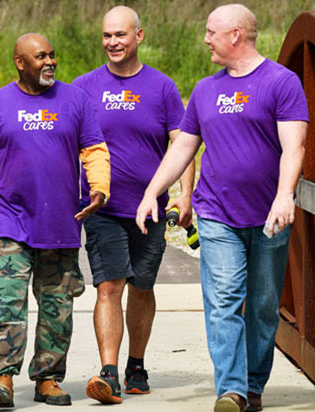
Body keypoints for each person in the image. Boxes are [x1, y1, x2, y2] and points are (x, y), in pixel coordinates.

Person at [135, 4, 308, 412]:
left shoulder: (282, 83)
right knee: (224, 301)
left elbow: (294, 147)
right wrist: (152, 191)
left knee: (263, 306)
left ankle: (252, 386)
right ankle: (230, 390)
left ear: (235, 34)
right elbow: (183, 147)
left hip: (268, 215)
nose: (206, 38)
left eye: (212, 31)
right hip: (217, 214)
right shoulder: (205, 89)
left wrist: (285, 194)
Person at [0, 33, 111, 408]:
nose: (49, 62)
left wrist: (99, 187)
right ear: (20, 63)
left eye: (52, 55)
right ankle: (2, 378)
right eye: (40, 56)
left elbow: (93, 149)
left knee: (57, 306)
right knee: (7, 303)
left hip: (60, 222)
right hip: (10, 222)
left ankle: (48, 378)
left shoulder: (75, 99)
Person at [73, 6, 194, 404]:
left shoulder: (162, 87)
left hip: (152, 209)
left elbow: (183, 144)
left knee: (142, 286)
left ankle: (136, 365)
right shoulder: (84, 86)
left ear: (138, 36)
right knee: (109, 286)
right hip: (102, 208)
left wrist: (185, 194)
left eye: (120, 35)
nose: (112, 43)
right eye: (107, 36)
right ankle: (108, 372)